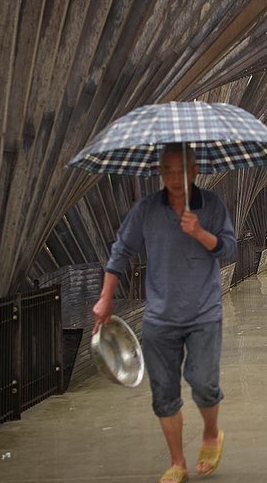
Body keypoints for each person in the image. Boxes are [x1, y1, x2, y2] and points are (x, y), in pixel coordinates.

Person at [93, 143, 237, 483]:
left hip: (203, 313)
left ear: (194, 171)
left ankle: (211, 434)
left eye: (181, 170)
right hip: (159, 317)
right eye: (168, 171)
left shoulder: (212, 206)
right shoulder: (145, 210)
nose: (174, 178)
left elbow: (230, 249)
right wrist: (105, 298)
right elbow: (120, 252)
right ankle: (177, 463)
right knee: (164, 392)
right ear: (160, 173)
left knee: (203, 383)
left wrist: (200, 233)